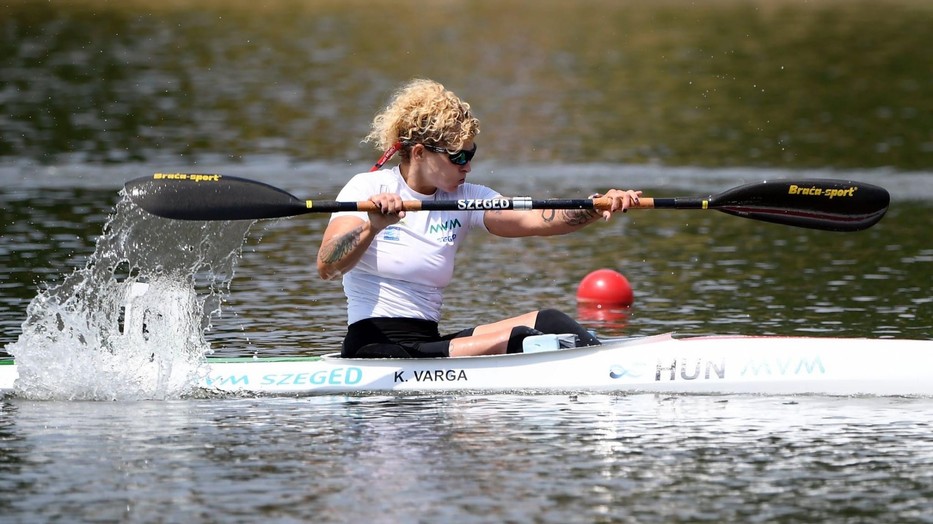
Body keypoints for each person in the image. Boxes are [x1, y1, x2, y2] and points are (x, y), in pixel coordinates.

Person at [317, 79, 641, 358]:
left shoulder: (466, 197)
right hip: (376, 348)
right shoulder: (368, 188)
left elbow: (537, 219)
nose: (467, 166)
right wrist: (371, 225)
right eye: (457, 157)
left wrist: (596, 206)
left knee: (550, 322)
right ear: (419, 153)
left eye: (470, 155)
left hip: (426, 342)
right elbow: (328, 266)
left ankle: (609, 359)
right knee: (521, 340)